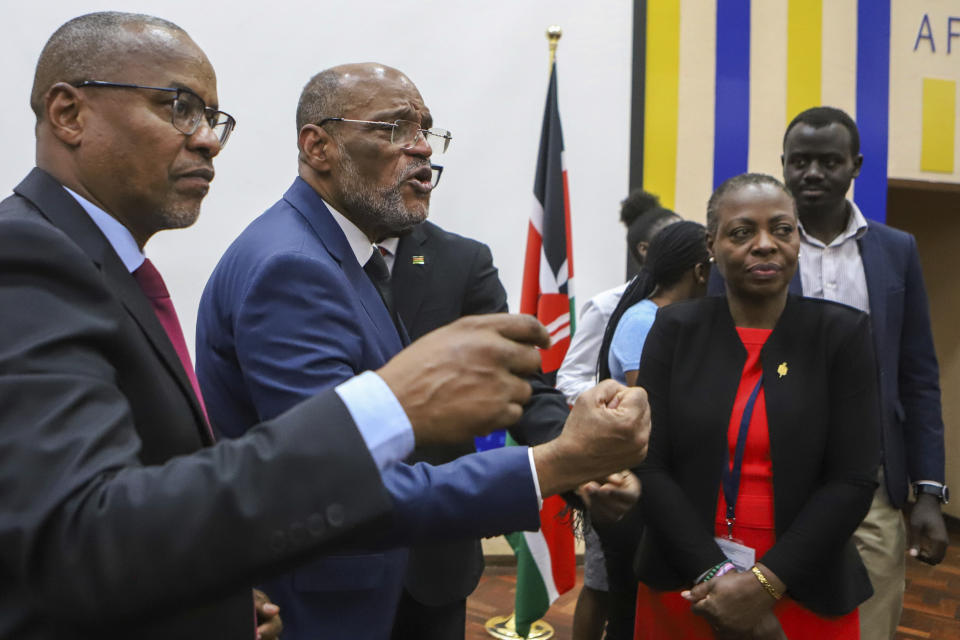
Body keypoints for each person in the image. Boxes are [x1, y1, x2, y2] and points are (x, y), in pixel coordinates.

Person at [0, 13, 619, 639]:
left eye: (212, 119)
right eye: (179, 107)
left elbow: (149, 484)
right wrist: (413, 410)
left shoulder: (102, 260)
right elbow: (82, 534)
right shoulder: (36, 256)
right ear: (69, 114)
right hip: (341, 597)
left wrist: (219, 584)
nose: (208, 140)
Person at [196, 62, 650, 640]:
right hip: (322, 595)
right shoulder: (292, 266)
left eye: (426, 131)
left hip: (409, 569)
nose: (421, 152)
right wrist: (560, 461)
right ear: (319, 146)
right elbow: (330, 482)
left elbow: (511, 388)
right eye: (393, 129)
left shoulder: (341, 254)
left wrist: (578, 454)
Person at [634, 173, 880, 639]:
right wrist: (719, 579)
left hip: (803, 580)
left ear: (797, 241)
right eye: (742, 232)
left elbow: (852, 478)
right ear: (712, 244)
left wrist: (764, 585)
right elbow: (648, 466)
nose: (765, 244)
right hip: (687, 579)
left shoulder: (842, 336)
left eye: (782, 230)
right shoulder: (674, 330)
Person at [780, 106, 949, 640]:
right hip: (776, 473)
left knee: (870, 622)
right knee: (778, 618)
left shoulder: (896, 250)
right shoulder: (757, 247)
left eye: (828, 161)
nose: (813, 173)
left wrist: (928, 492)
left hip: (872, 479)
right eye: (800, 161)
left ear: (855, 166)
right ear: (782, 165)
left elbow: (918, 375)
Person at [387, 218, 581, 639]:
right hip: (334, 554)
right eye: (397, 145)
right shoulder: (300, 256)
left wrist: (577, 449)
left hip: (436, 553)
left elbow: (517, 378)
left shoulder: (461, 259)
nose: (419, 152)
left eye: (431, 153)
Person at [558, 192, 679, 640]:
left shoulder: (688, 310)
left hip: (656, 469)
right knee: (602, 584)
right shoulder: (611, 306)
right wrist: (610, 407)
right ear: (647, 251)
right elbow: (569, 378)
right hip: (609, 466)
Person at [601, 220, 710, 386]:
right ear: (700, 271)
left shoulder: (690, 318)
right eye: (714, 265)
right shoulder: (642, 322)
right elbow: (646, 399)